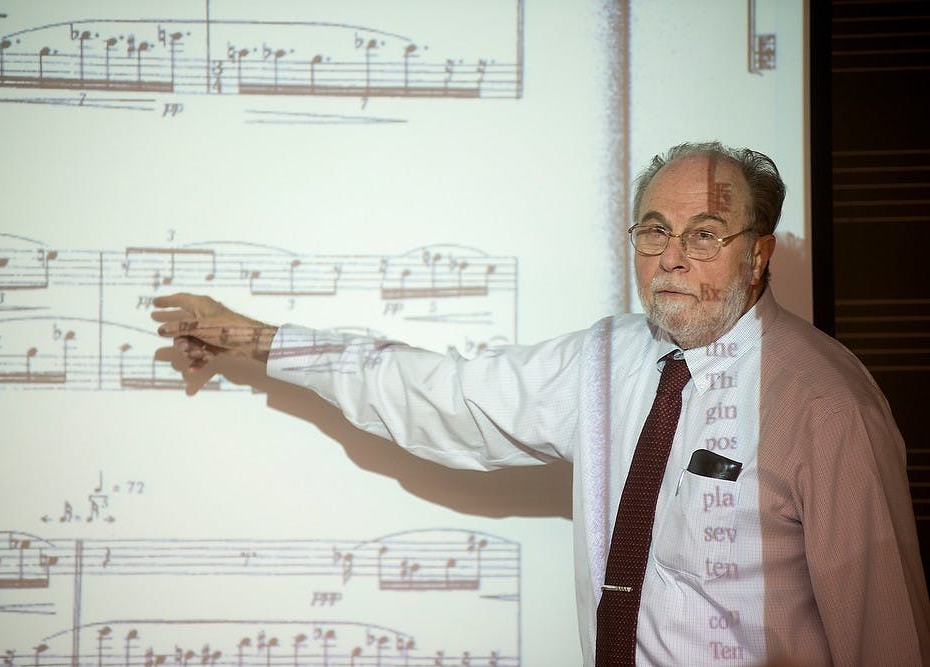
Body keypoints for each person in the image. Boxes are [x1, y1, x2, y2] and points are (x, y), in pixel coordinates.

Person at [153, 142, 930, 665]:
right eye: (654, 230)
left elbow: (886, 637)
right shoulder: (607, 358)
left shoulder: (828, 405)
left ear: (758, 254)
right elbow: (439, 393)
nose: (669, 258)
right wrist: (259, 339)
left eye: (704, 234)